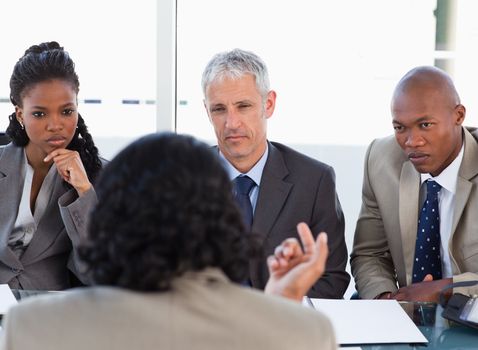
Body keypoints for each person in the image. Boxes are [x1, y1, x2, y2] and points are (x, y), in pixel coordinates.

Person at [0, 133, 336, 350]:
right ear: (226, 222)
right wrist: (278, 310)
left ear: (110, 222)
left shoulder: (31, 326)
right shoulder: (306, 334)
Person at [202, 49, 349, 298]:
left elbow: (332, 280)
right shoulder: (182, 182)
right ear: (207, 111)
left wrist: (276, 307)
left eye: (243, 106)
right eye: (219, 109)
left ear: (268, 104)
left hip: (283, 328)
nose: (231, 123)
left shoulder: (314, 181)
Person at [351, 66, 478, 302]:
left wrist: (446, 289)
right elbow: (370, 253)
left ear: (459, 115)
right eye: (400, 128)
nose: (412, 141)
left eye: (425, 125)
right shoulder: (380, 159)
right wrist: (385, 298)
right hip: (408, 321)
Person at [0, 42, 102, 290]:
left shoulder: (98, 176)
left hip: (53, 313)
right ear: (21, 114)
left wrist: (84, 192)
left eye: (66, 111)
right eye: (39, 114)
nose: (55, 125)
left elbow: (99, 272)